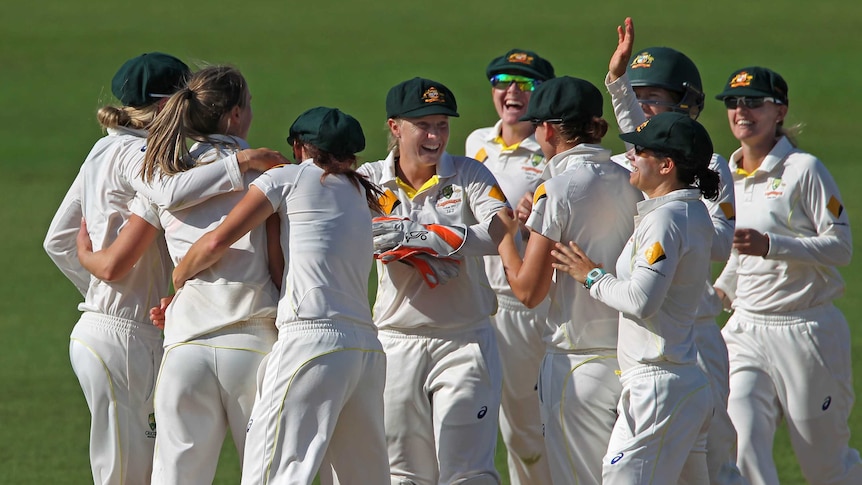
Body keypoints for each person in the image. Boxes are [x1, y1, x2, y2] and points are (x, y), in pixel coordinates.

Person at [76, 65, 286, 484]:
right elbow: (282, 266)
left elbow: (123, 255)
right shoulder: (271, 174)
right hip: (252, 347)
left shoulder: (165, 176)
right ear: (234, 116)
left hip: (184, 349)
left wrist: (88, 259)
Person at [42, 52, 234, 485]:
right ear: (168, 105)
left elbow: (57, 239)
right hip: (125, 340)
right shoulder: (138, 152)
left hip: (106, 332)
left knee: (137, 473)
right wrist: (239, 166)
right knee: (127, 477)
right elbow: (168, 192)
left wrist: (100, 293)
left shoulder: (103, 148)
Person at [173, 106, 390, 485]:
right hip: (366, 351)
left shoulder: (286, 178)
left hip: (310, 343)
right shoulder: (362, 193)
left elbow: (216, 241)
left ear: (302, 147)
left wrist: (176, 278)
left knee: (270, 475)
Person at [604, 17, 746, 485]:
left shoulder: (707, 166)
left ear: (685, 106)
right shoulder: (647, 159)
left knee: (713, 465)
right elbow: (644, 138)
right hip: (649, 341)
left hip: (696, 336)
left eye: (653, 100)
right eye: (638, 98)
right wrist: (616, 83)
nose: (643, 110)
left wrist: (682, 217)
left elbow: (721, 242)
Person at [712, 66, 862, 485]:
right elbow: (739, 257)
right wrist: (718, 294)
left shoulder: (803, 169)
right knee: (741, 444)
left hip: (806, 330)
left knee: (826, 467)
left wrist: (773, 246)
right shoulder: (728, 174)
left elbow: (841, 248)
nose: (742, 111)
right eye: (734, 102)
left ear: (779, 111)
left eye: (753, 102)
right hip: (746, 330)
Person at [552, 111, 719, 484]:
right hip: (682, 381)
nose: (631, 154)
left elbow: (643, 300)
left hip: (657, 385)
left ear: (666, 165)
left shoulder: (667, 219)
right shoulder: (685, 212)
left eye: (641, 150)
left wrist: (591, 276)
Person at [358, 77, 508, 485]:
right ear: (395, 127)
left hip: (466, 340)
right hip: (395, 340)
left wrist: (426, 238)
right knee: (403, 475)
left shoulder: (470, 173)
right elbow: (358, 237)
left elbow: (504, 234)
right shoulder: (368, 180)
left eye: (442, 125)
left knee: (469, 474)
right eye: (423, 125)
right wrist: (418, 253)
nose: (434, 136)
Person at [494, 76, 642, 485]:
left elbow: (528, 291)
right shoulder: (634, 181)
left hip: (577, 369)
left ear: (547, 130)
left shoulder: (554, 190)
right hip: (636, 359)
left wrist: (505, 238)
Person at [463, 48, 556, 485]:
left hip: (526, 303)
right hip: (476, 304)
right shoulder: (475, 143)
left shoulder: (552, 151)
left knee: (528, 427)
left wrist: (534, 212)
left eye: (527, 83)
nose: (513, 91)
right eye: (503, 81)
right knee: (485, 418)